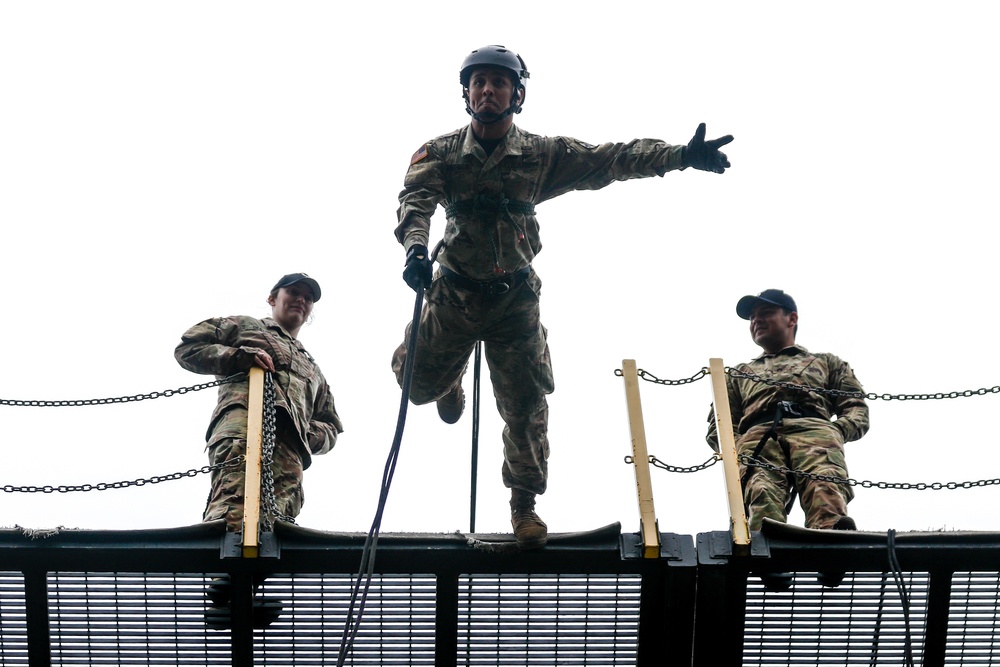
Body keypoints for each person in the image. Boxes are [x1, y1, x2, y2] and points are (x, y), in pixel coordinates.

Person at [391, 45, 733, 549]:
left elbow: (611, 159)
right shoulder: (439, 152)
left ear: (517, 94)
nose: (488, 90)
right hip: (455, 295)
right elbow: (414, 201)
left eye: (499, 83)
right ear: (465, 93)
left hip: (514, 302)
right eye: (479, 82)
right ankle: (448, 385)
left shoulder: (541, 154)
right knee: (417, 387)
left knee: (527, 405)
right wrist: (415, 250)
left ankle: (523, 503)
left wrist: (680, 156)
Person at [706, 289, 869, 588]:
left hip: (812, 428)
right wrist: (738, 447)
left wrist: (836, 430)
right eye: (753, 317)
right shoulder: (739, 373)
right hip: (759, 434)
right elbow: (719, 424)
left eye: (765, 313)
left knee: (823, 480)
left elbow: (855, 407)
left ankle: (831, 546)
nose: (756, 320)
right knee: (761, 488)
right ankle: (769, 554)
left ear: (791, 318)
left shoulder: (826, 362)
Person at [175, 272, 343, 532]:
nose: (301, 300)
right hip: (243, 431)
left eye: (308, 298)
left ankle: (261, 572)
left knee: (278, 526)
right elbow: (189, 348)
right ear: (272, 299)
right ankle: (225, 572)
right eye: (294, 293)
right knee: (233, 510)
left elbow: (330, 424)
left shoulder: (312, 369)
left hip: (289, 455)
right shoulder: (244, 327)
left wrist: (306, 435)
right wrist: (239, 357)